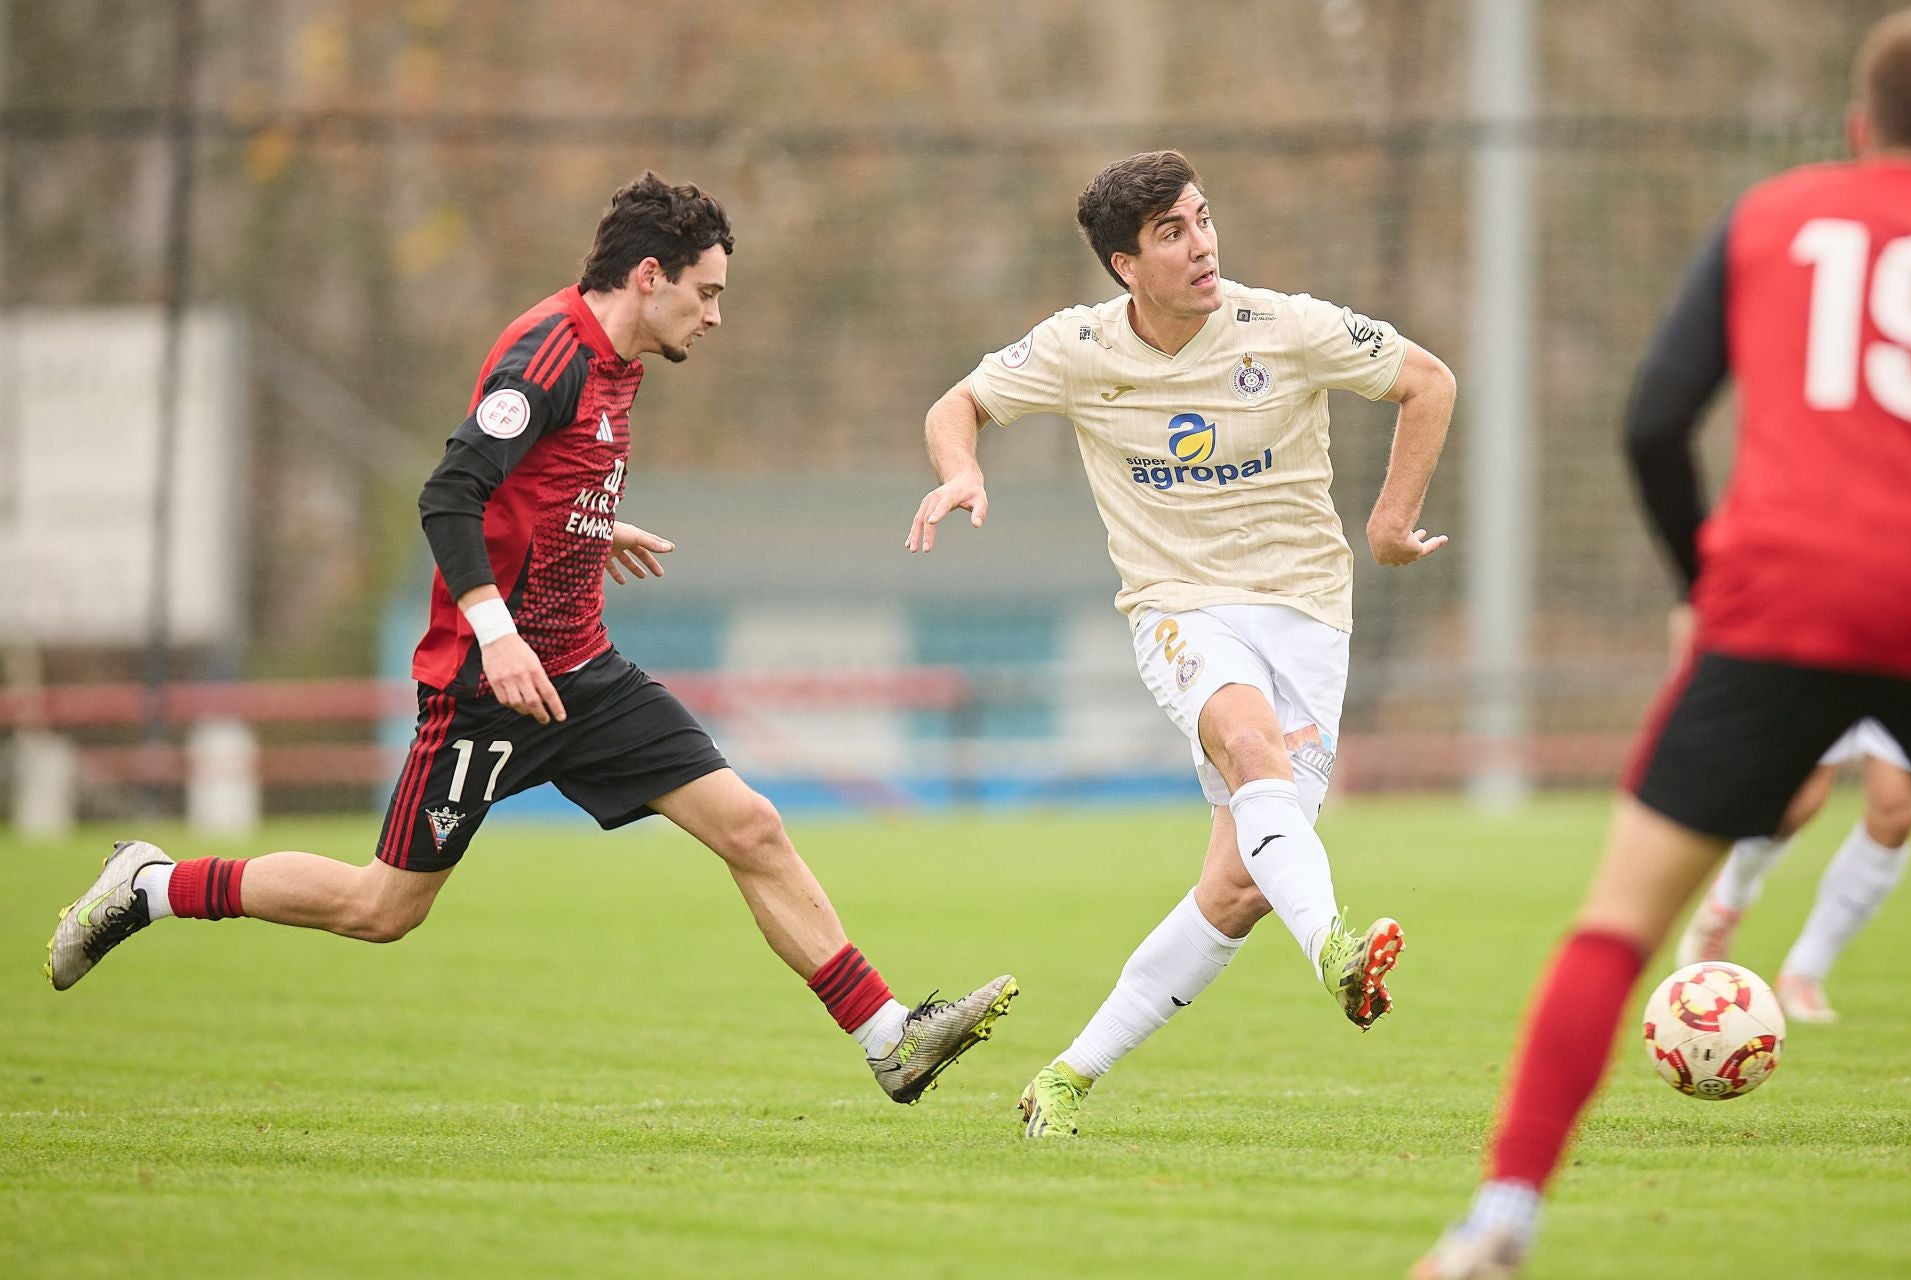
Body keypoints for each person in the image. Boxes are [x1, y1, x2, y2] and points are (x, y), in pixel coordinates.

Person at [48, 173, 1016, 1106]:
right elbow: (450, 494)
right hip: (487, 684)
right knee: (381, 908)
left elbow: (535, 486)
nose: (717, 316)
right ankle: (153, 884)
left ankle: (887, 1035)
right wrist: (499, 635)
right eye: (707, 292)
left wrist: (593, 527)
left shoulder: (621, 361)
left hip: (586, 671)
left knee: (752, 825)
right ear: (650, 276)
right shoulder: (549, 354)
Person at [1414, 10, 1911, 1275]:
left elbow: (1652, 420)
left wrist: (1707, 582)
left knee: (1615, 925)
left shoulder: (1770, 215)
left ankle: (1500, 1220)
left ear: (1859, 130)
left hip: (1778, 608)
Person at [905, 149, 1457, 1138]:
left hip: (1306, 613)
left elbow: (1429, 381)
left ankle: (1064, 1078)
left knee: (1239, 885)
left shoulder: (1285, 325)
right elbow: (960, 403)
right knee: (1252, 747)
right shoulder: (1079, 347)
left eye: (1203, 220)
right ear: (1126, 264)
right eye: (1172, 233)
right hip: (1179, 607)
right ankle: (1333, 945)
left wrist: (1388, 521)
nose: (1202, 245)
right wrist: (961, 472)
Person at [1675, 717, 1911, 1022]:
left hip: (1899, 676)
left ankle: (1804, 974)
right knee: (1799, 802)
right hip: (1838, 676)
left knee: (1897, 813)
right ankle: (1724, 904)